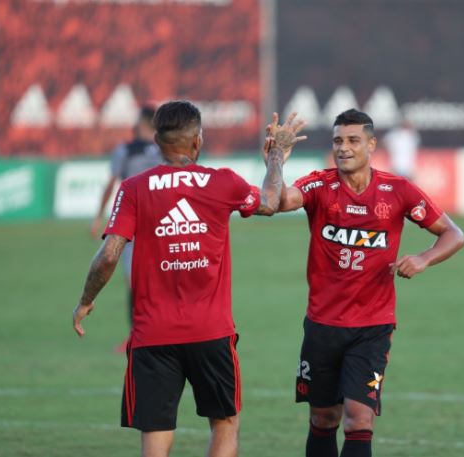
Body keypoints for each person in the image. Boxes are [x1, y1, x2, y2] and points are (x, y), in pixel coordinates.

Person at [72, 101, 306, 457]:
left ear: (156, 141)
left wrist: (86, 300)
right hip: (211, 332)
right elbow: (270, 202)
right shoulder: (222, 181)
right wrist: (276, 156)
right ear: (198, 141)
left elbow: (108, 255)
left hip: (152, 335)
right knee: (225, 425)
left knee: (156, 433)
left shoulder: (133, 188)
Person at [271, 109, 464, 457]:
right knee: (323, 418)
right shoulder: (319, 185)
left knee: (359, 420)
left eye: (353, 140)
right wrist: (276, 160)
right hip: (322, 325)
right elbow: (278, 201)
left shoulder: (397, 190)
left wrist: (424, 258)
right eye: (337, 141)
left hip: (372, 328)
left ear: (372, 145)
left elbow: (454, 234)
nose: (343, 148)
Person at [89, 105, 164, 344]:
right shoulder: (158, 149)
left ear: (143, 123)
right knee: (140, 281)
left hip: (146, 225)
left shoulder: (132, 150)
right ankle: (140, 334)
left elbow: (111, 183)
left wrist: (98, 217)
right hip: (148, 224)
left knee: (145, 281)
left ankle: (147, 333)